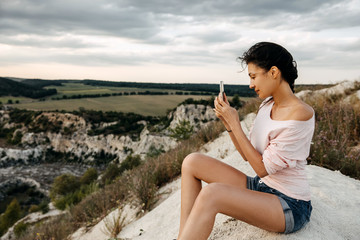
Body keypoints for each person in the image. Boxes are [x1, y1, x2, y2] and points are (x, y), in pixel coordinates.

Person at [176, 42, 315, 240]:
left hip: (289, 204)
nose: (251, 84)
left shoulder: (300, 113)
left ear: (274, 72)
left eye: (253, 76)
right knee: (192, 162)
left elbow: (261, 168)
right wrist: (228, 122)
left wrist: (235, 121)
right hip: (261, 187)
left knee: (212, 193)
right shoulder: (267, 105)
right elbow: (245, 154)